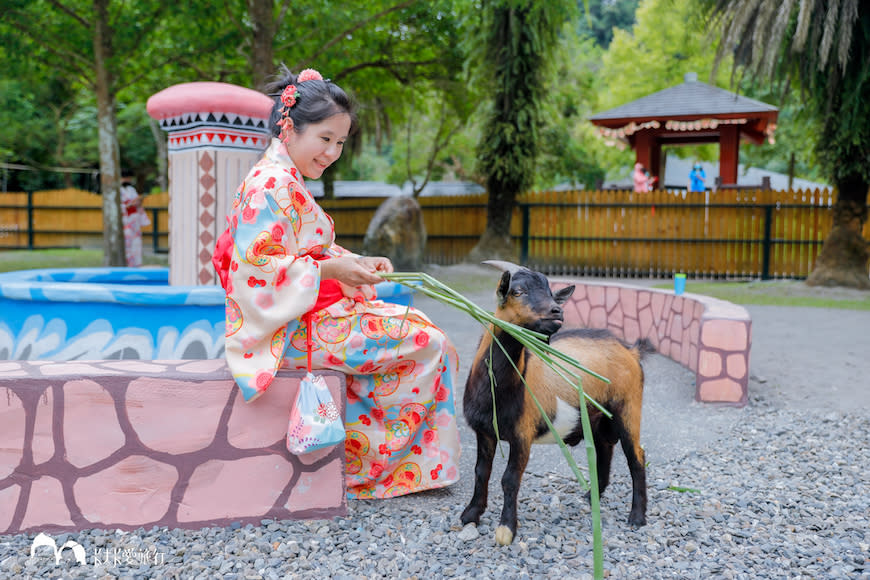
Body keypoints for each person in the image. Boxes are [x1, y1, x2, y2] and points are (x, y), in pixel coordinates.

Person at [211, 66, 461, 499]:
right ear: (288, 128)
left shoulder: (283, 179)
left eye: (340, 142)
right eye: (324, 138)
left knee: (424, 331)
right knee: (426, 341)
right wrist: (332, 271)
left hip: (306, 312)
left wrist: (356, 262)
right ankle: (372, 469)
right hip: (288, 330)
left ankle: (388, 461)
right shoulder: (269, 185)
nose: (332, 152)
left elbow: (308, 252)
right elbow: (255, 269)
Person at [120, 176, 150, 267]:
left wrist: (138, 202)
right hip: (126, 219)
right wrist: (129, 204)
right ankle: (128, 263)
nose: (127, 180)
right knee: (127, 242)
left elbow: (137, 203)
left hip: (134, 219)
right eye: (125, 178)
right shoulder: (117, 191)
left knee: (136, 242)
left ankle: (137, 263)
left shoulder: (131, 189)